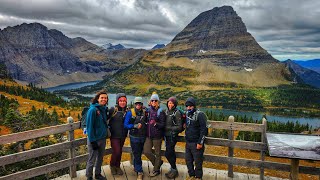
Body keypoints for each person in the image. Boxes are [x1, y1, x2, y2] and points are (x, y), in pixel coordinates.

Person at [85, 90, 109, 180]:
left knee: (100, 158)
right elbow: (89, 127)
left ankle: (98, 174)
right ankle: (89, 176)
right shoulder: (92, 110)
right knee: (91, 159)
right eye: (102, 97)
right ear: (97, 99)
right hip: (94, 140)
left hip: (102, 139)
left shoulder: (103, 109)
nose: (104, 99)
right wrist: (92, 141)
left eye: (105, 98)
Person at [184, 97, 208, 180]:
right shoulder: (187, 114)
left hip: (196, 143)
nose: (188, 108)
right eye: (187, 106)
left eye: (190, 106)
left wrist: (200, 142)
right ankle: (191, 176)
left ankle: (198, 177)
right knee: (188, 161)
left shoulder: (200, 115)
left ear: (194, 106)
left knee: (198, 162)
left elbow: (204, 129)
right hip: (188, 142)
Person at [124, 97, 147, 180]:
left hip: (143, 136)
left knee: (138, 153)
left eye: (139, 103)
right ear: (134, 104)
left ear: (141, 104)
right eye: (136, 103)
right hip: (134, 137)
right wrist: (134, 126)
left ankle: (136, 167)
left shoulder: (145, 112)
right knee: (137, 154)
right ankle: (140, 172)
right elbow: (125, 125)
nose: (138, 105)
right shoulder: (130, 113)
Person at [143, 92, 165, 177]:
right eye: (152, 100)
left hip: (157, 136)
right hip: (148, 135)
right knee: (146, 151)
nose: (154, 102)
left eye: (156, 100)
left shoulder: (161, 111)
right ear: (150, 101)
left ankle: (156, 170)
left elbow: (163, 125)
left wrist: (156, 124)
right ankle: (158, 162)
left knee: (157, 153)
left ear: (158, 101)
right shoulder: (148, 110)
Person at [108, 93, 128, 175]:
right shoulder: (113, 110)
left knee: (120, 152)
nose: (122, 102)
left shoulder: (127, 111)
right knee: (116, 151)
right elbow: (104, 117)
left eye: (124, 101)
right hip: (114, 135)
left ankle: (117, 166)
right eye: (120, 101)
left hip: (123, 135)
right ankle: (112, 165)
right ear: (117, 101)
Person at [164, 97, 183, 179]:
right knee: (170, 153)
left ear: (175, 104)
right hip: (167, 136)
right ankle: (172, 169)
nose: (170, 104)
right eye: (169, 103)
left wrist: (169, 128)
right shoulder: (167, 111)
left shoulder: (177, 113)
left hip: (173, 136)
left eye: (172, 103)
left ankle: (174, 169)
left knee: (168, 153)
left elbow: (179, 127)